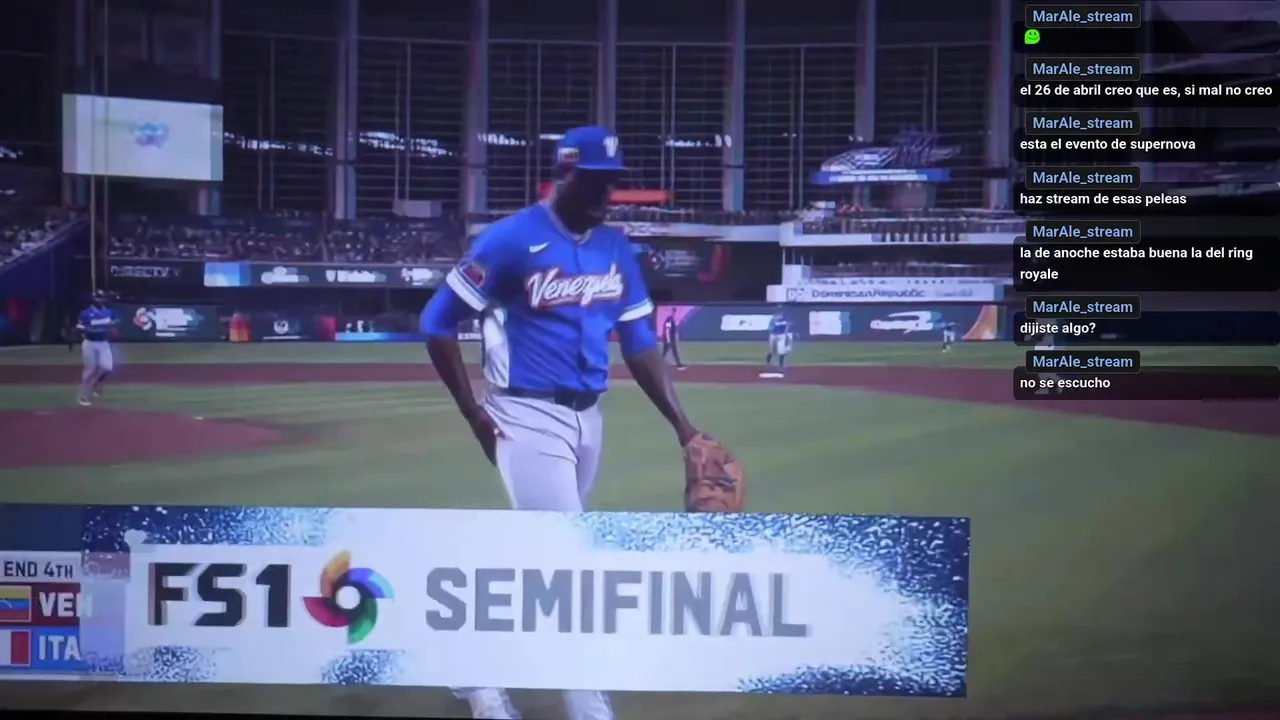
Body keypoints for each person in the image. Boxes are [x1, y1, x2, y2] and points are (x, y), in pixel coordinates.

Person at [419, 126, 705, 720]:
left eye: (612, 182)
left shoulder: (615, 248)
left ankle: (470, 668)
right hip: (523, 414)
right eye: (594, 181)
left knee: (538, 556)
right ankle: (584, 699)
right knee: (568, 560)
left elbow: (639, 341)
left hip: (587, 419)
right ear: (563, 174)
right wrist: (472, 411)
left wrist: (685, 428)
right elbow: (437, 321)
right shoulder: (509, 240)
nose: (604, 193)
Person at [77, 290, 117, 405]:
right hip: (90, 342)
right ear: (93, 299)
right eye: (98, 298)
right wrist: (88, 330)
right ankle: (83, 396)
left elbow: (112, 326)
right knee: (90, 369)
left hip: (103, 343)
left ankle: (96, 383)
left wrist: (112, 329)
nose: (100, 300)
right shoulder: (86, 313)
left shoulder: (108, 312)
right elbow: (79, 327)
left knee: (108, 368)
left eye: (102, 298)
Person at [763, 307, 793, 376]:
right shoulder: (773, 319)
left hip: (781, 335)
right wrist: (774, 326)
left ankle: (781, 366)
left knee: (781, 350)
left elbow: (789, 324)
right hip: (773, 335)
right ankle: (768, 364)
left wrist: (786, 332)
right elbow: (770, 328)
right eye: (778, 312)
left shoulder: (785, 318)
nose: (779, 313)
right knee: (772, 351)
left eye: (780, 312)